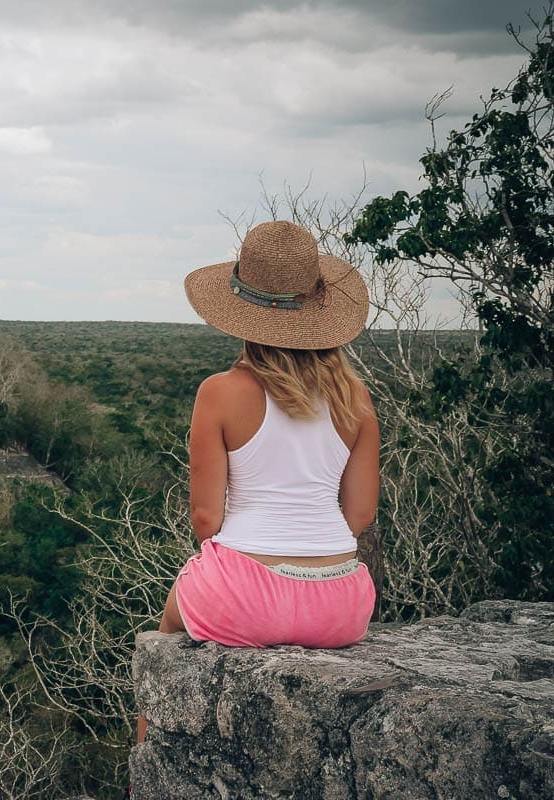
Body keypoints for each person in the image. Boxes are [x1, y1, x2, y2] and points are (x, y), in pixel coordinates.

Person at [135, 220, 378, 746]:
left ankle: (143, 768)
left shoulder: (220, 392)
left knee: (164, 638)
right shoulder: (356, 398)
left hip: (242, 591)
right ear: (319, 311)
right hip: (343, 604)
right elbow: (359, 516)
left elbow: (206, 519)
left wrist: (245, 578)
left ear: (240, 313)